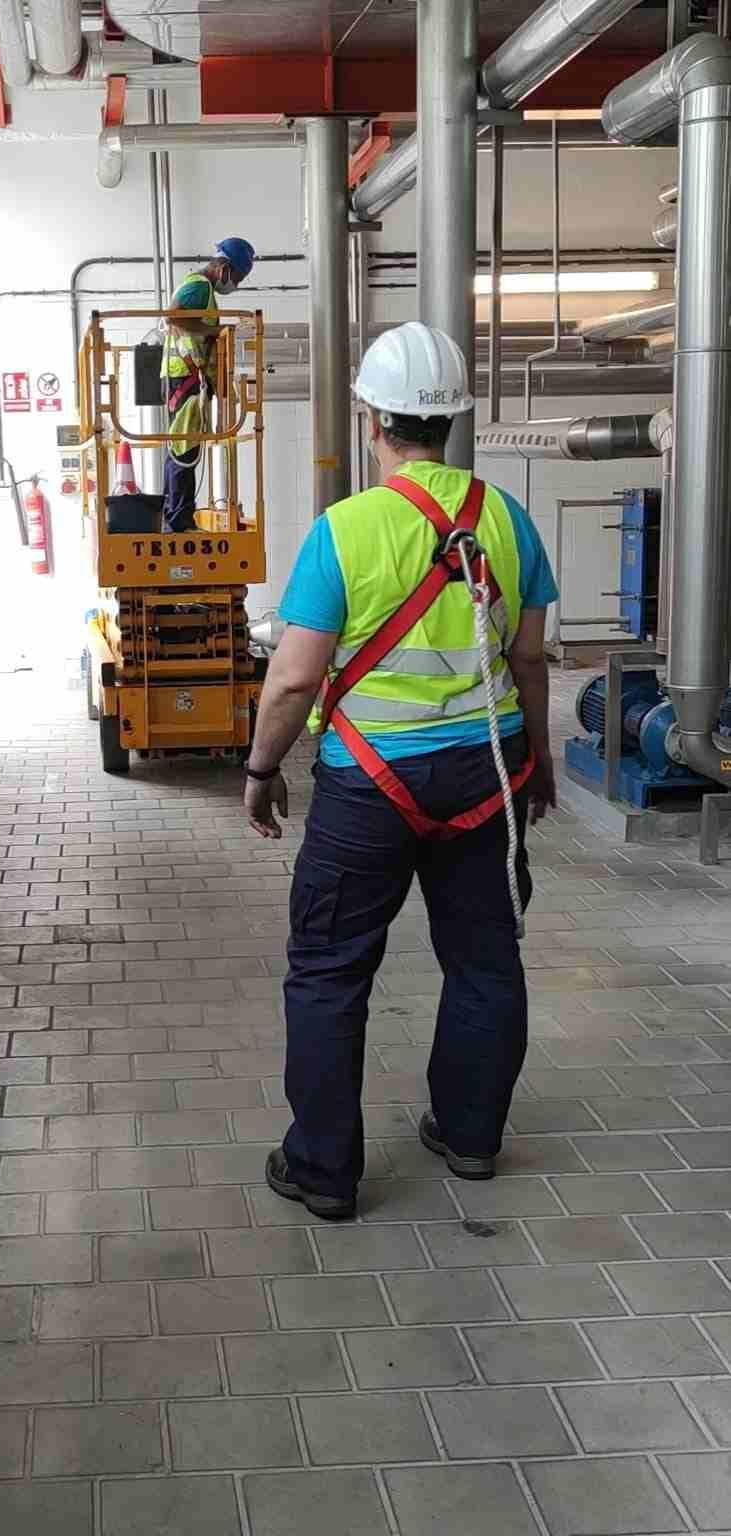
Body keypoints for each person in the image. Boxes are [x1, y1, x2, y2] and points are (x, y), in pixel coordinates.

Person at [242, 321, 559, 1221]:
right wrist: (532, 765)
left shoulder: (345, 529)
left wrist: (262, 768)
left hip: (367, 791)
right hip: (485, 779)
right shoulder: (508, 518)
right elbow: (528, 661)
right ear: (455, 421)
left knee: (329, 971)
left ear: (372, 418)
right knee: (485, 961)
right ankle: (468, 1136)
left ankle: (324, 1171)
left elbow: (295, 675)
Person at [161, 237, 256, 533]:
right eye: (237, 277)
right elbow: (173, 315)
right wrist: (217, 329)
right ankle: (179, 519)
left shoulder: (200, 288)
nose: (235, 284)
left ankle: (176, 515)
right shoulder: (201, 285)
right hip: (184, 374)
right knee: (184, 449)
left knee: (182, 445)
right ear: (224, 267)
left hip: (185, 375)